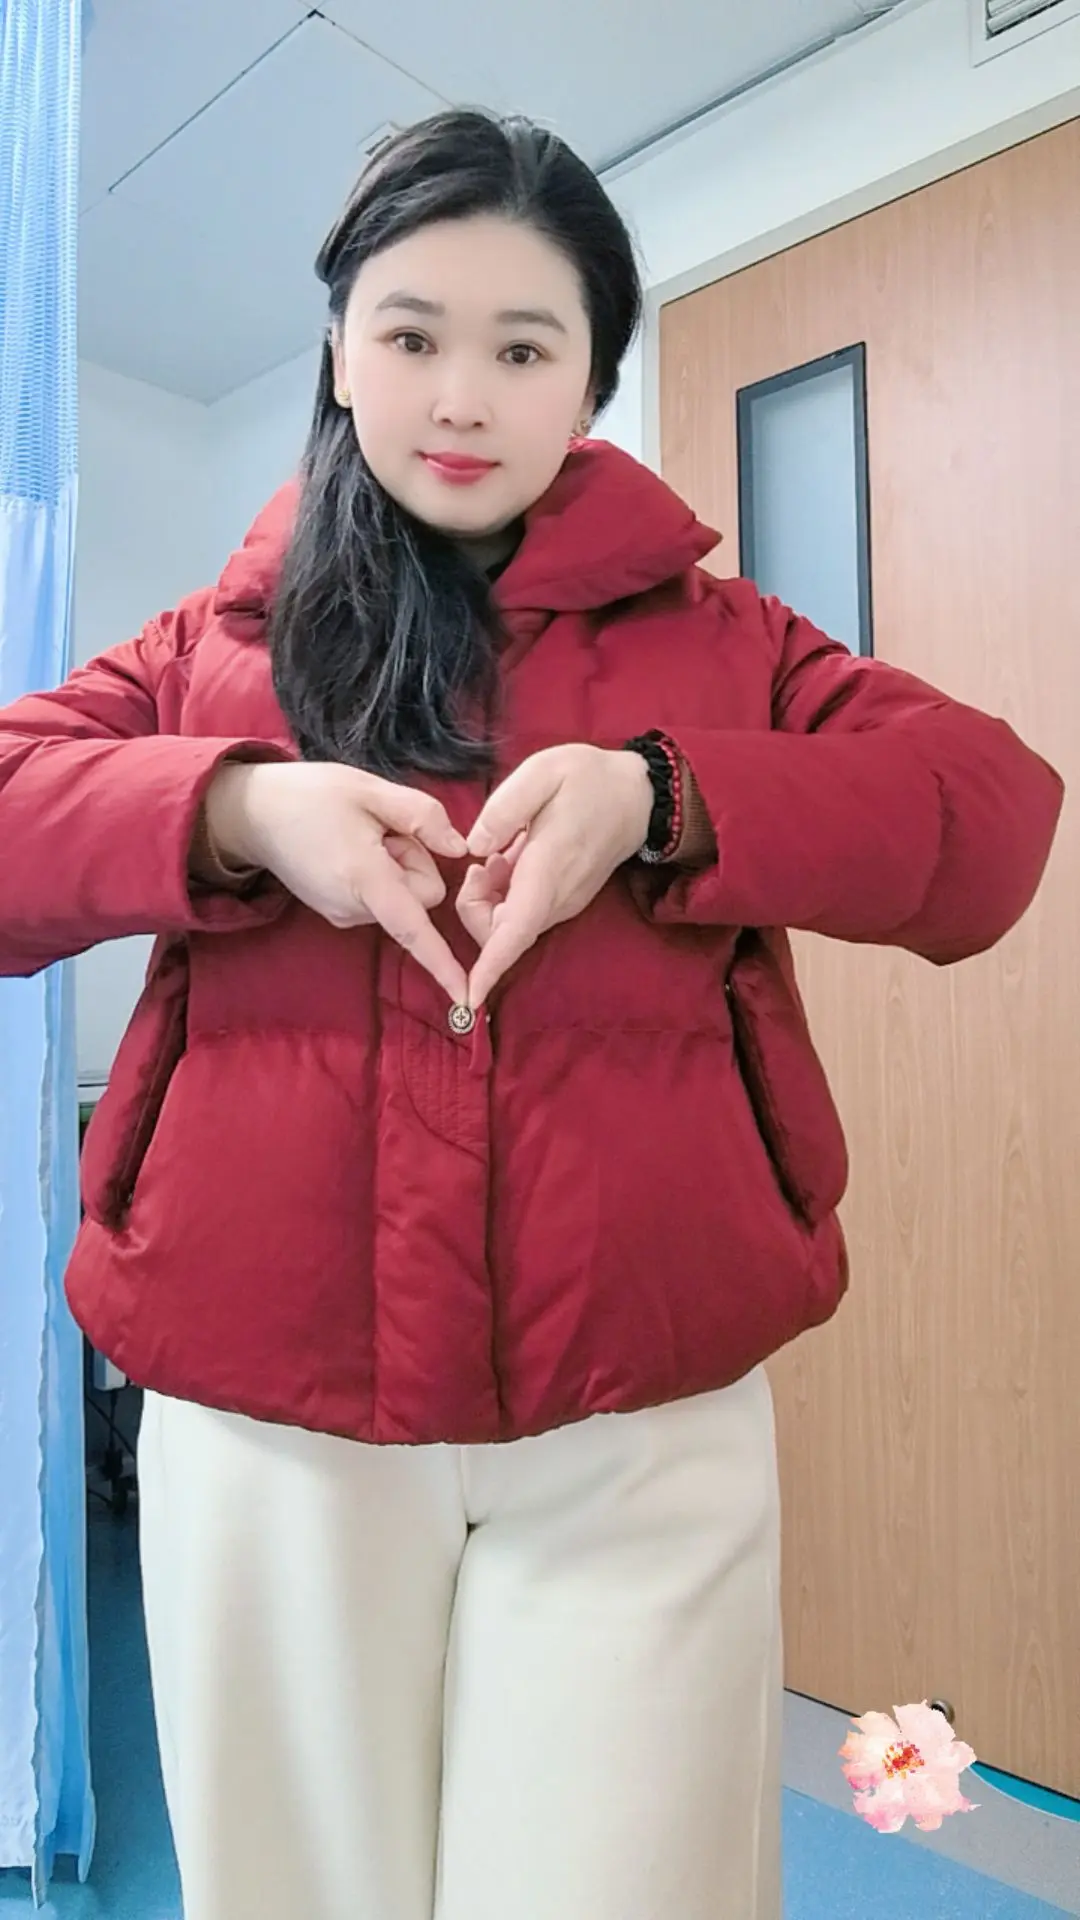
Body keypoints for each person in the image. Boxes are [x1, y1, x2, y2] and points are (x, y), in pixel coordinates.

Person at [0, 108, 1062, 1920]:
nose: (459, 396)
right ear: (340, 351)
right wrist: (238, 810)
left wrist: (666, 797)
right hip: (270, 1412)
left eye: (522, 347)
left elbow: (993, 821)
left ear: (591, 382)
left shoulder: (732, 644)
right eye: (411, 334)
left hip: (635, 1419)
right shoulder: (206, 648)